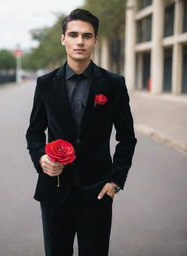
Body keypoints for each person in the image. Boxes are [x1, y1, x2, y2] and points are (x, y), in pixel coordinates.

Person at [26, 8, 137, 256]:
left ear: (95, 40)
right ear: (63, 38)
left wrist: (115, 180)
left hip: (97, 191)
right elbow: (34, 132)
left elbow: (127, 137)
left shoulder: (113, 83)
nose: (80, 41)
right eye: (73, 34)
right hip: (54, 191)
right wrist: (41, 159)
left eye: (87, 36)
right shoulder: (45, 83)